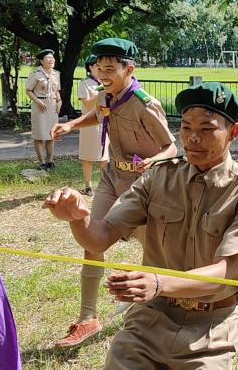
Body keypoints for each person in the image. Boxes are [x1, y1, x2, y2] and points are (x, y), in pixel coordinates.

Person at [43, 82, 238, 370]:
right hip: (150, 319)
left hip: (210, 330)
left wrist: (158, 281)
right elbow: (99, 237)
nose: (193, 137)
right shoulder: (158, 177)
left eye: (207, 129)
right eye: (187, 127)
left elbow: (225, 270)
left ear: (234, 132)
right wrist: (77, 219)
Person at [49, 38, 177, 348]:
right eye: (98, 68)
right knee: (93, 237)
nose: (102, 74)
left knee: (154, 249)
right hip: (111, 175)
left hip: (143, 185)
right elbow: (100, 115)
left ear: (128, 69)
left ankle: (158, 304)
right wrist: (71, 125)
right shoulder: (107, 95)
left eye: (109, 68)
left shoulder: (146, 104)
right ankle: (88, 317)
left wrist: (153, 160)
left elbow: (171, 146)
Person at [77, 54, 109, 196]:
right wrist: (101, 91)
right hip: (89, 124)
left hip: (105, 122)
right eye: (97, 66)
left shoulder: (106, 81)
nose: (100, 69)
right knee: (88, 156)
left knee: (105, 156)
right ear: (90, 67)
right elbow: (88, 104)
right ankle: (88, 185)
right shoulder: (85, 83)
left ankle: (106, 184)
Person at [25, 49, 62, 170]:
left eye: (53, 58)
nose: (52, 60)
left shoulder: (56, 74)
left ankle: (50, 161)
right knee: (39, 135)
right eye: (48, 58)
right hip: (40, 106)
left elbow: (56, 90)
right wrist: (38, 101)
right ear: (41, 61)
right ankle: (41, 162)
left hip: (52, 106)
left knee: (51, 134)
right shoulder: (36, 74)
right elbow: (28, 90)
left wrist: (59, 101)